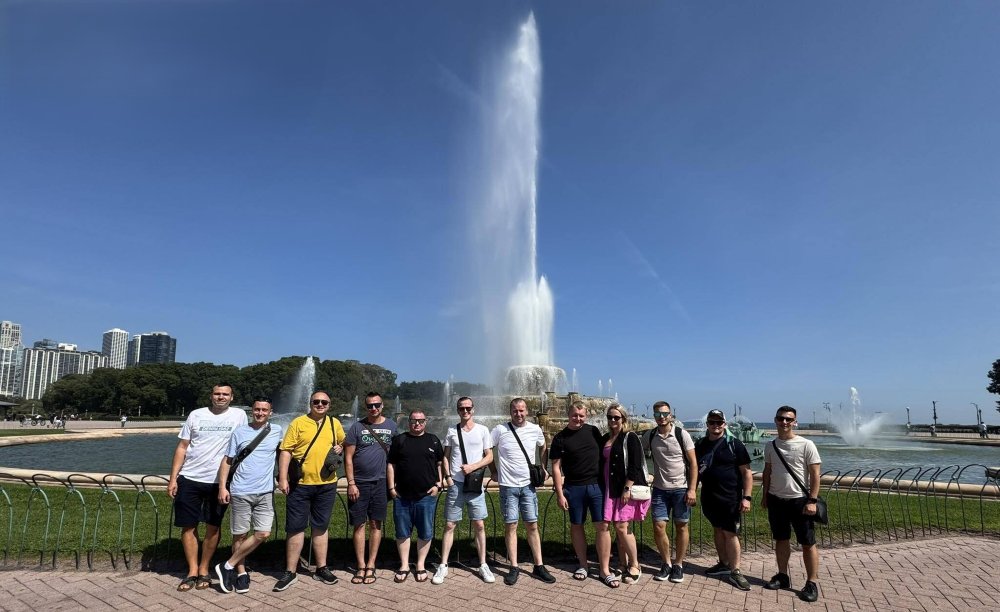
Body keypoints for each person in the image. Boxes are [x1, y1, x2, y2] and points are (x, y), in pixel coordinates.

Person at [167, 383, 248, 592]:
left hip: (219, 482)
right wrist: (173, 478)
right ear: (211, 396)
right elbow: (182, 447)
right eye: (217, 393)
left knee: (213, 526)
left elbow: (243, 446)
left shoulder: (239, 415)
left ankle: (204, 568)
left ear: (232, 397)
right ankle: (192, 571)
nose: (221, 397)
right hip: (190, 477)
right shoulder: (196, 415)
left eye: (225, 394)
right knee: (188, 526)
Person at [273, 391, 346, 592]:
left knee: (321, 526)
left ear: (329, 405)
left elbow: (343, 441)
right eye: (316, 401)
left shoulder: (334, 423)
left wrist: (340, 447)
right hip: (300, 484)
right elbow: (286, 451)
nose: (320, 404)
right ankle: (290, 571)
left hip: (326, 483)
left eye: (324, 402)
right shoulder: (298, 423)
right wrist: (283, 477)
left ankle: (321, 568)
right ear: (311, 403)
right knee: (295, 527)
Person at [215, 397, 283, 594]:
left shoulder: (277, 430)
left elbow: (285, 453)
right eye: (257, 409)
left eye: (264, 410)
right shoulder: (240, 432)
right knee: (240, 534)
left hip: (265, 491)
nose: (260, 413)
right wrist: (222, 487)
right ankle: (241, 572)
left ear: (270, 412)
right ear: (252, 411)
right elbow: (228, 460)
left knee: (263, 533)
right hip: (240, 490)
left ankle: (227, 565)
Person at [489, 397, 556, 586]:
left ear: (527, 411)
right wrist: (493, 471)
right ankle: (514, 566)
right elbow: (487, 449)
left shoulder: (535, 429)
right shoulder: (500, 430)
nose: (518, 414)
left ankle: (539, 565)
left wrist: (543, 467)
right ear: (510, 412)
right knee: (511, 526)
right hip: (508, 486)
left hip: (528, 485)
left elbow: (543, 446)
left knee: (532, 525)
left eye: (521, 410)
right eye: (515, 411)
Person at [550, 401, 615, 587]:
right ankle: (583, 565)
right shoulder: (560, 438)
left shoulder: (593, 431)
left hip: (596, 486)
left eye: (581, 416)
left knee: (603, 526)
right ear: (568, 415)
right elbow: (556, 467)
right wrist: (560, 494)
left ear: (586, 416)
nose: (578, 419)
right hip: (574, 488)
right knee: (576, 525)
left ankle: (604, 570)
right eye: (574, 415)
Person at [762, 405, 822, 603]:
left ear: (795, 422)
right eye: (781, 418)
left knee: (807, 543)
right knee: (781, 539)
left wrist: (812, 500)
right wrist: (765, 495)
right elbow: (768, 471)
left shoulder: (806, 445)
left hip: (800, 501)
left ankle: (811, 582)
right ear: (775, 420)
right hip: (776, 499)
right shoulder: (770, 445)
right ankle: (782, 575)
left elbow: (815, 474)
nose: (784, 422)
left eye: (789, 419)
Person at [434, 397, 495, 584]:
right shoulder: (452, 430)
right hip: (456, 484)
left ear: (473, 410)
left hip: (475, 484)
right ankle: (443, 564)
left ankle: (483, 564)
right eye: (462, 408)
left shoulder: (483, 430)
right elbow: (446, 456)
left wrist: (472, 467)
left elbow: (490, 456)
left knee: (479, 524)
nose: (465, 411)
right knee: (450, 525)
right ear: (458, 411)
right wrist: (448, 478)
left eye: (468, 408)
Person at [695, 409, 754, 591]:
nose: (715, 425)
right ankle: (723, 563)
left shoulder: (734, 444)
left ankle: (735, 571)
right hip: (709, 497)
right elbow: (695, 470)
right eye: (712, 422)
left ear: (724, 424)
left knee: (730, 533)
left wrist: (747, 497)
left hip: (730, 497)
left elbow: (747, 473)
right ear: (707, 425)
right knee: (717, 529)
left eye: (719, 422)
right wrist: (691, 490)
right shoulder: (701, 444)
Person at [343, 391, 398, 585]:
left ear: (382, 405)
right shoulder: (357, 427)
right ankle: (360, 565)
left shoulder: (391, 426)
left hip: (381, 483)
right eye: (370, 406)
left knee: (376, 524)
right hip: (359, 483)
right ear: (365, 407)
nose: (373, 408)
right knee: (359, 524)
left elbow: (397, 455)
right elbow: (348, 457)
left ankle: (371, 564)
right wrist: (351, 483)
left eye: (377, 405)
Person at [387, 410, 445, 584]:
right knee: (402, 532)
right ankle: (404, 565)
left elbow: (440, 463)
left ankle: (420, 565)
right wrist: (391, 488)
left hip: (426, 495)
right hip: (402, 495)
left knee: (425, 532)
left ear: (425, 422)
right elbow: (391, 465)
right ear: (409, 422)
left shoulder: (433, 440)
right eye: (414, 421)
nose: (417, 424)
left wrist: (438, 484)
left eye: (420, 421)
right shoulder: (400, 440)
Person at [644, 401, 698, 583]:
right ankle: (666, 563)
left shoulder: (682, 434)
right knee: (659, 526)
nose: (661, 417)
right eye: (657, 414)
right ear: (654, 416)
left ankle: (678, 564)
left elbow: (693, 463)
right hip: (660, 489)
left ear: (671, 415)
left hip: (681, 489)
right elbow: (637, 451)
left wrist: (692, 489)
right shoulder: (650, 435)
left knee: (681, 526)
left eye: (664, 414)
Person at [600, 403, 650, 585]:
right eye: (610, 417)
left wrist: (627, 488)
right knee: (617, 526)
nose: (613, 420)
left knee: (622, 526)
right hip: (610, 487)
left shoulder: (630, 437)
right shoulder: (606, 438)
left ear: (623, 419)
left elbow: (635, 465)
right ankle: (622, 563)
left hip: (623, 488)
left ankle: (635, 565)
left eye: (616, 417)